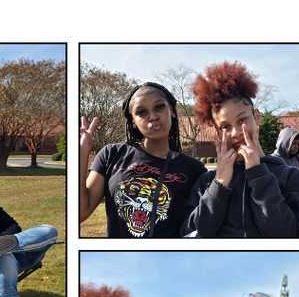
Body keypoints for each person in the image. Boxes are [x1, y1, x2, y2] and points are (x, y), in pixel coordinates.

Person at [182, 62, 299, 237]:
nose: (235, 133)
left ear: (257, 116)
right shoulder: (205, 182)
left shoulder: (291, 177)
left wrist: (257, 173)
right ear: (217, 131)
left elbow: (286, 235)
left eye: (242, 120)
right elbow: (192, 233)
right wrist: (219, 184)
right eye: (225, 126)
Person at [79, 82, 207, 238]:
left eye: (159, 107)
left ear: (172, 111)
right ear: (133, 121)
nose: (152, 116)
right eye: (141, 112)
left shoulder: (194, 169)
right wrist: (81, 153)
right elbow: (80, 212)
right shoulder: (112, 154)